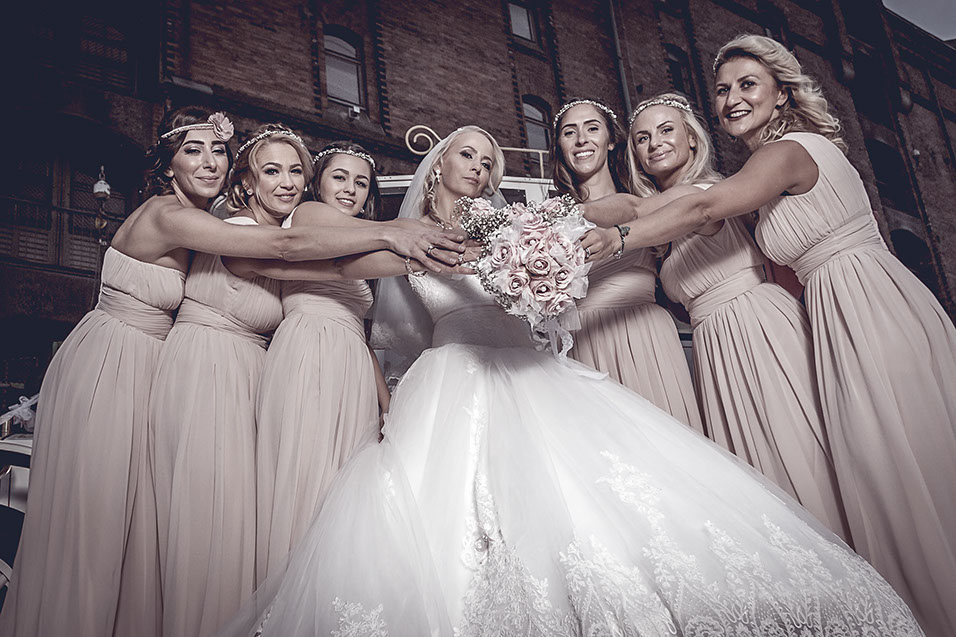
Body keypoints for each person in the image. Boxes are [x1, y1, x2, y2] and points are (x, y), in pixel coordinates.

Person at [214, 126, 922, 637]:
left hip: (531, 371)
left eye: (490, 160)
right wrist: (263, 259)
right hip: (453, 377)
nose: (479, 167)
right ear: (437, 166)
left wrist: (626, 221)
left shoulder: (516, 224)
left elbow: (610, 212)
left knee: (596, 503)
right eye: (467, 154)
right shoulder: (410, 237)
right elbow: (338, 266)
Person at [0, 107, 459, 637]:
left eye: (218, 149)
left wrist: (446, 253)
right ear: (171, 165)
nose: (209, 161)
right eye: (193, 150)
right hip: (127, 364)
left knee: (153, 532)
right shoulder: (191, 220)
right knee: (100, 524)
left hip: (190, 368)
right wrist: (395, 230)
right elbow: (286, 247)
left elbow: (333, 265)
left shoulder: (219, 226)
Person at [587, 35, 956, 636]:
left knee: (898, 457)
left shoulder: (787, 152)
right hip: (827, 310)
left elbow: (698, 208)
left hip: (865, 301)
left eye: (748, 84)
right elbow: (642, 206)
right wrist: (538, 221)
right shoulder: (761, 166)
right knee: (870, 466)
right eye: (723, 89)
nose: (732, 98)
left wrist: (618, 241)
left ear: (782, 91)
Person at [631, 92, 849, 541]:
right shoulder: (659, 226)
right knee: (754, 474)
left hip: (758, 327)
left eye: (667, 130)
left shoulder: (707, 192)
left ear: (692, 139)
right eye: (642, 138)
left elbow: (638, 211)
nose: (655, 143)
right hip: (713, 346)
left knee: (796, 447)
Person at [253, 142, 388, 584]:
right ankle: (285, 597)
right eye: (339, 177)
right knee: (304, 473)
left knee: (343, 486)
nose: (350, 189)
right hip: (308, 351)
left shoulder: (359, 245)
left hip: (352, 363)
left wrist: (386, 403)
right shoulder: (308, 214)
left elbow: (361, 334)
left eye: (361, 183)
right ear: (318, 184)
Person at [550, 99, 702, 431]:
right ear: (559, 146)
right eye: (569, 133)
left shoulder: (648, 202)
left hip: (644, 335)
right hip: (582, 341)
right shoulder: (547, 222)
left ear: (611, 140)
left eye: (592, 128)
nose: (581, 140)